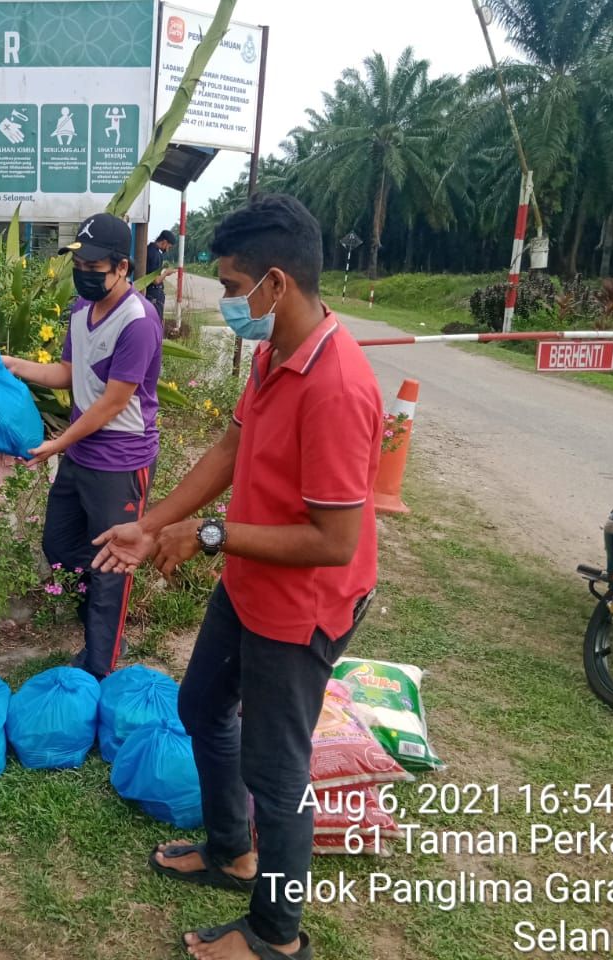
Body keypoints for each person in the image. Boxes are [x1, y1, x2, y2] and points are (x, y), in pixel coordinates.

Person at [92, 194, 382, 960]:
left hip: (304, 603)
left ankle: (276, 936)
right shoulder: (272, 355)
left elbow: (333, 539)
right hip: (252, 580)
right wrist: (153, 523)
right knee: (201, 705)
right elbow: (229, 450)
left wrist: (209, 534)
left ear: (275, 284)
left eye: (230, 286)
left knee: (277, 775)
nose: (225, 301)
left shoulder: (338, 386)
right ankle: (230, 850)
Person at [5, 212, 162, 679]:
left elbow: (113, 403)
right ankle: (103, 631)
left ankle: (100, 665)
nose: (85, 275)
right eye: (80, 265)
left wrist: (56, 445)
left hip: (120, 460)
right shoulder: (80, 309)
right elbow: (67, 374)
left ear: (122, 268)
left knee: (111, 564)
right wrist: (15, 364)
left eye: (95, 268)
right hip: (81, 454)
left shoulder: (139, 321)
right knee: (60, 546)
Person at [144, 229, 176, 323]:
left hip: (149, 293)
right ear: (164, 242)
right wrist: (166, 273)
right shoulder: (155, 254)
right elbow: (156, 280)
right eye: (169, 247)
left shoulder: (149, 249)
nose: (167, 250)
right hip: (153, 294)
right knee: (156, 321)